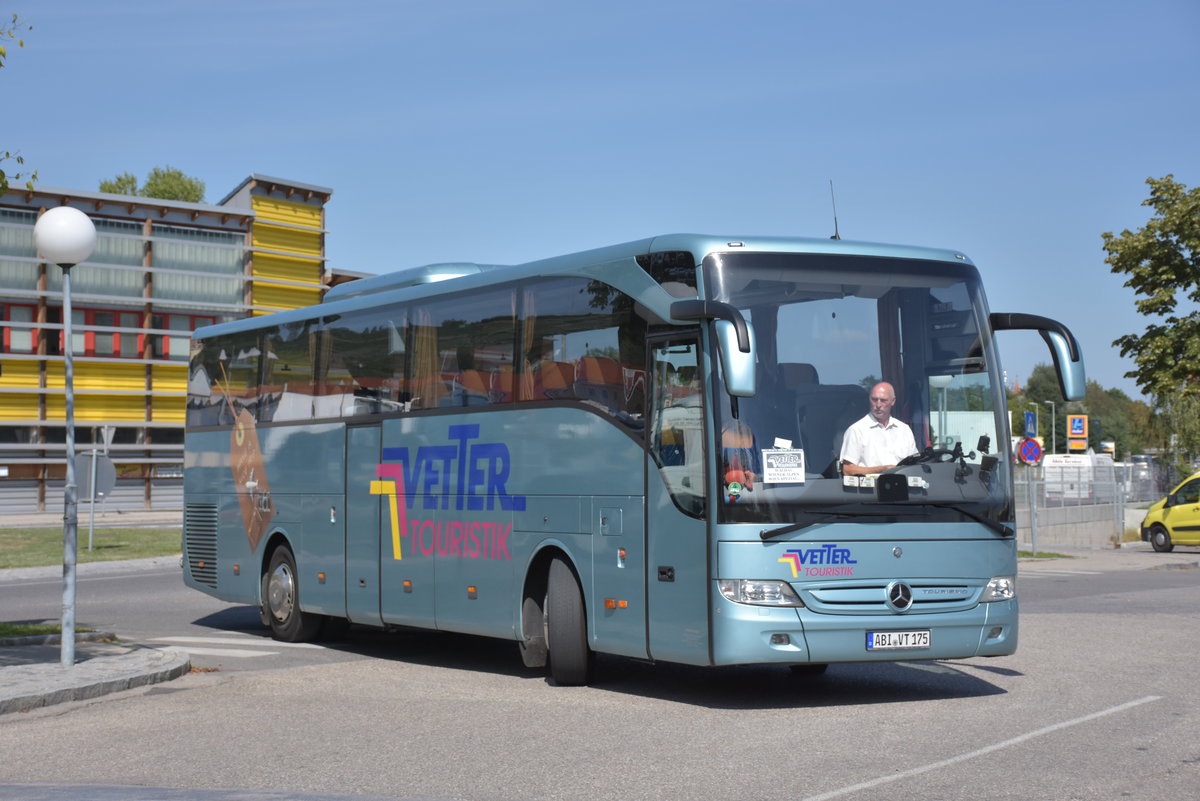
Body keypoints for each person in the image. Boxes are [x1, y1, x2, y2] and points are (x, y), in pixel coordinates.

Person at [840, 381, 919, 476]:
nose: (878, 405)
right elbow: (848, 470)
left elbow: (915, 466)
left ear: (893, 401)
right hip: (870, 489)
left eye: (883, 400)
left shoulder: (904, 430)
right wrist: (882, 469)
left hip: (902, 488)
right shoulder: (856, 430)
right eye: (874, 399)